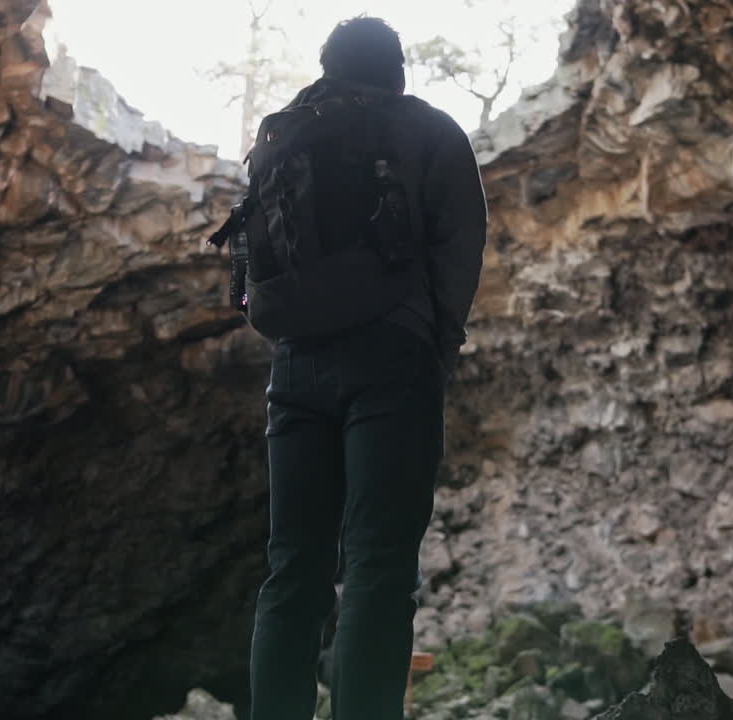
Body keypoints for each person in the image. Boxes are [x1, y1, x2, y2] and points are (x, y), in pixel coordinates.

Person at [244, 15, 487, 720]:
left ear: (328, 66)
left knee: (293, 571)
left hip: (295, 368)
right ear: (398, 68)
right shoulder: (431, 130)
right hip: (393, 359)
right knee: (378, 569)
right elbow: (457, 254)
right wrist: (435, 352)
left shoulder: (285, 134)